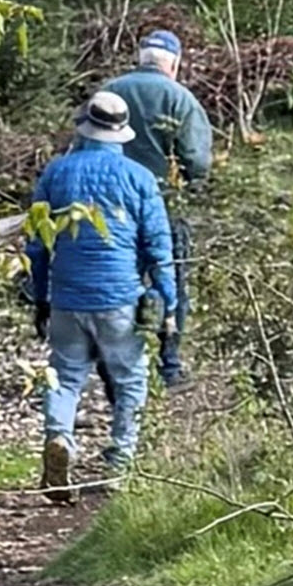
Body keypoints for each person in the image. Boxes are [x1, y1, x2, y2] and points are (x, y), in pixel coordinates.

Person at [26, 90, 176, 501]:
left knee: (65, 376)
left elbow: (37, 244)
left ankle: (60, 440)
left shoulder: (57, 174)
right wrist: (169, 304)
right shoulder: (140, 179)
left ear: (85, 127)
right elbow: (159, 246)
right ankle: (119, 462)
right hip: (119, 297)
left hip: (68, 296)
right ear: (121, 134)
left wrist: (39, 297)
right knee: (130, 379)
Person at [106, 29, 212, 388]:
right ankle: (170, 364)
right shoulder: (180, 99)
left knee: (118, 279)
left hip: (112, 206)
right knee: (172, 281)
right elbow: (197, 161)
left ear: (141, 58)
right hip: (163, 204)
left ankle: (116, 360)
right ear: (175, 64)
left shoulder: (111, 92)